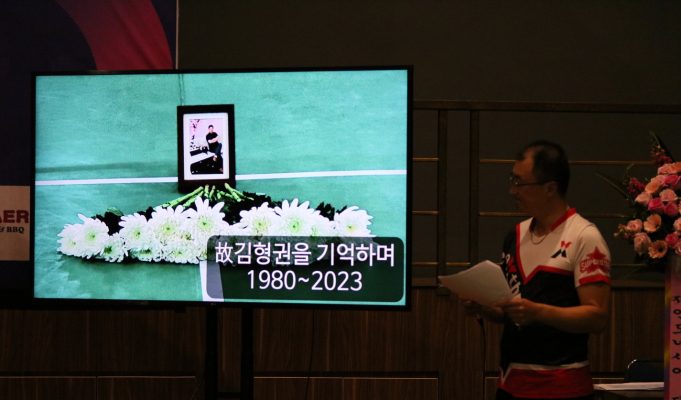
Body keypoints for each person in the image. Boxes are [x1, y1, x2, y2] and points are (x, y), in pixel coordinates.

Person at [463, 140, 611, 400]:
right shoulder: (515, 235)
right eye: (512, 180)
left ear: (550, 188)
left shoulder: (584, 236)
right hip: (511, 385)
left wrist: (539, 312)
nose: (512, 190)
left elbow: (597, 317)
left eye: (519, 182)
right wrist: (485, 308)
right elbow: (512, 312)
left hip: (563, 388)